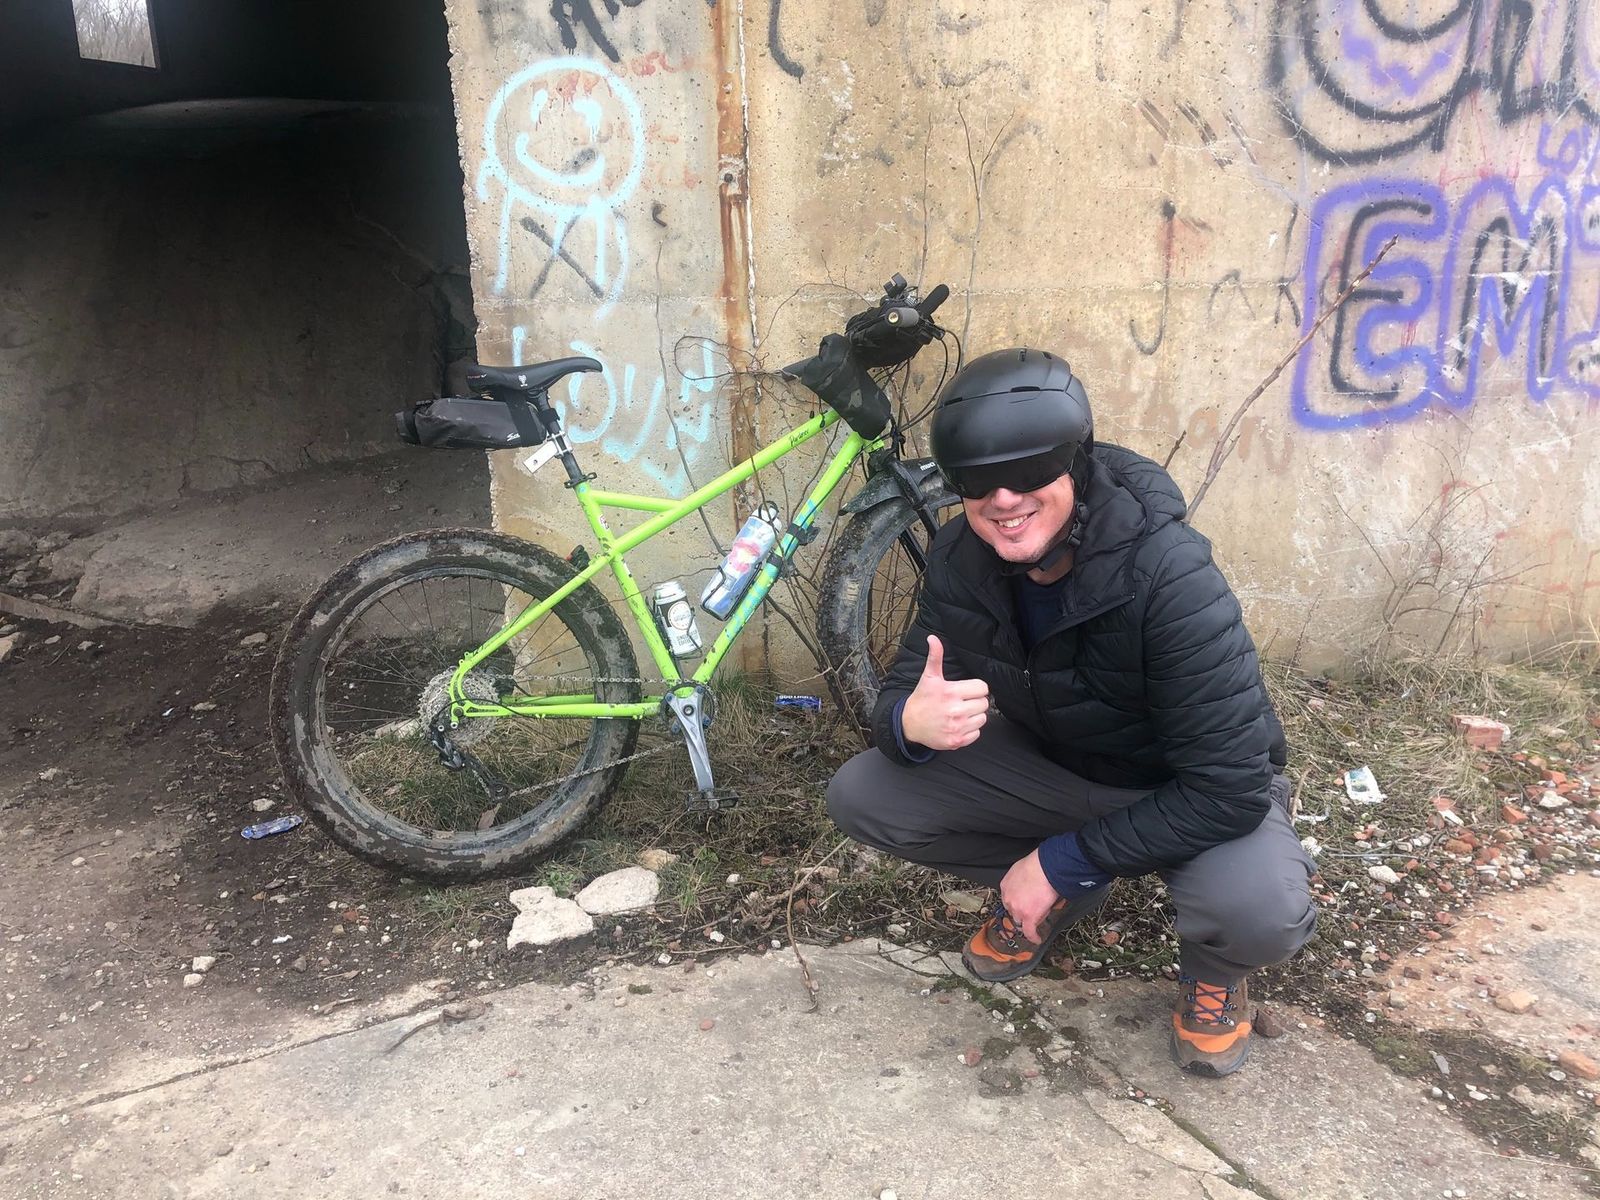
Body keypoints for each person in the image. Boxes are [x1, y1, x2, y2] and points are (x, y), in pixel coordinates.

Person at [826, 347, 1317, 1077]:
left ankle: (1213, 968)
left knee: (1259, 912)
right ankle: (1063, 892)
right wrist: (907, 723)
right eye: (976, 482)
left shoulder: (1169, 574)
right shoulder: (960, 558)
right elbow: (906, 685)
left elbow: (1228, 787)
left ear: (1076, 465)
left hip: (1182, 791)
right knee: (863, 793)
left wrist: (1064, 859)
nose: (1003, 500)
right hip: (1055, 769)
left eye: (1028, 473)